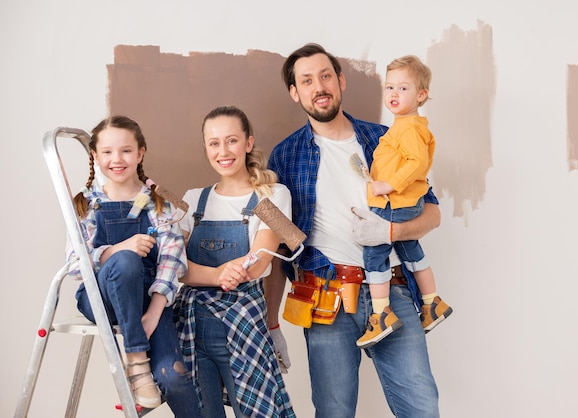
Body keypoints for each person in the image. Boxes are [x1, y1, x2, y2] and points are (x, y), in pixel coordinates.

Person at [266, 43, 441, 417]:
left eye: (326, 75)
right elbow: (277, 246)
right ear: (295, 93)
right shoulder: (284, 156)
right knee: (334, 412)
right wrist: (271, 321)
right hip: (326, 301)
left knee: (423, 408)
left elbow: (432, 215)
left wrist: (389, 234)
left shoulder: (386, 138)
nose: (320, 86)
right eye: (307, 81)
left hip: (392, 294)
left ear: (341, 81)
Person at [66, 115, 202, 416]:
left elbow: (171, 260)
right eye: (107, 152)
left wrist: (154, 313)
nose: (117, 159)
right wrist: (117, 249)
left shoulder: (158, 204)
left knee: (174, 375)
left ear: (140, 153)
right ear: (95, 156)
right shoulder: (85, 204)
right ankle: (136, 358)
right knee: (126, 261)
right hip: (100, 299)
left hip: (147, 300)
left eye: (126, 151)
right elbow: (75, 265)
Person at [174, 106, 295, 418]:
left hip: (244, 321)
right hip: (192, 325)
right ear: (205, 148)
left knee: (256, 412)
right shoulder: (195, 199)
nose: (223, 151)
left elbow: (261, 256)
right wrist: (218, 275)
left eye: (231, 141)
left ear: (249, 143)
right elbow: (177, 266)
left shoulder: (272, 195)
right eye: (214, 143)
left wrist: (234, 272)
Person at [356, 55, 453, 349]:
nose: (394, 94)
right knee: (410, 249)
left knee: (375, 254)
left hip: (394, 204)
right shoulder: (401, 126)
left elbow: (417, 162)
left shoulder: (409, 128)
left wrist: (389, 184)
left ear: (421, 95)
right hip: (401, 202)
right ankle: (432, 302)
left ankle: (381, 314)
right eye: (389, 88)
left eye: (403, 88)